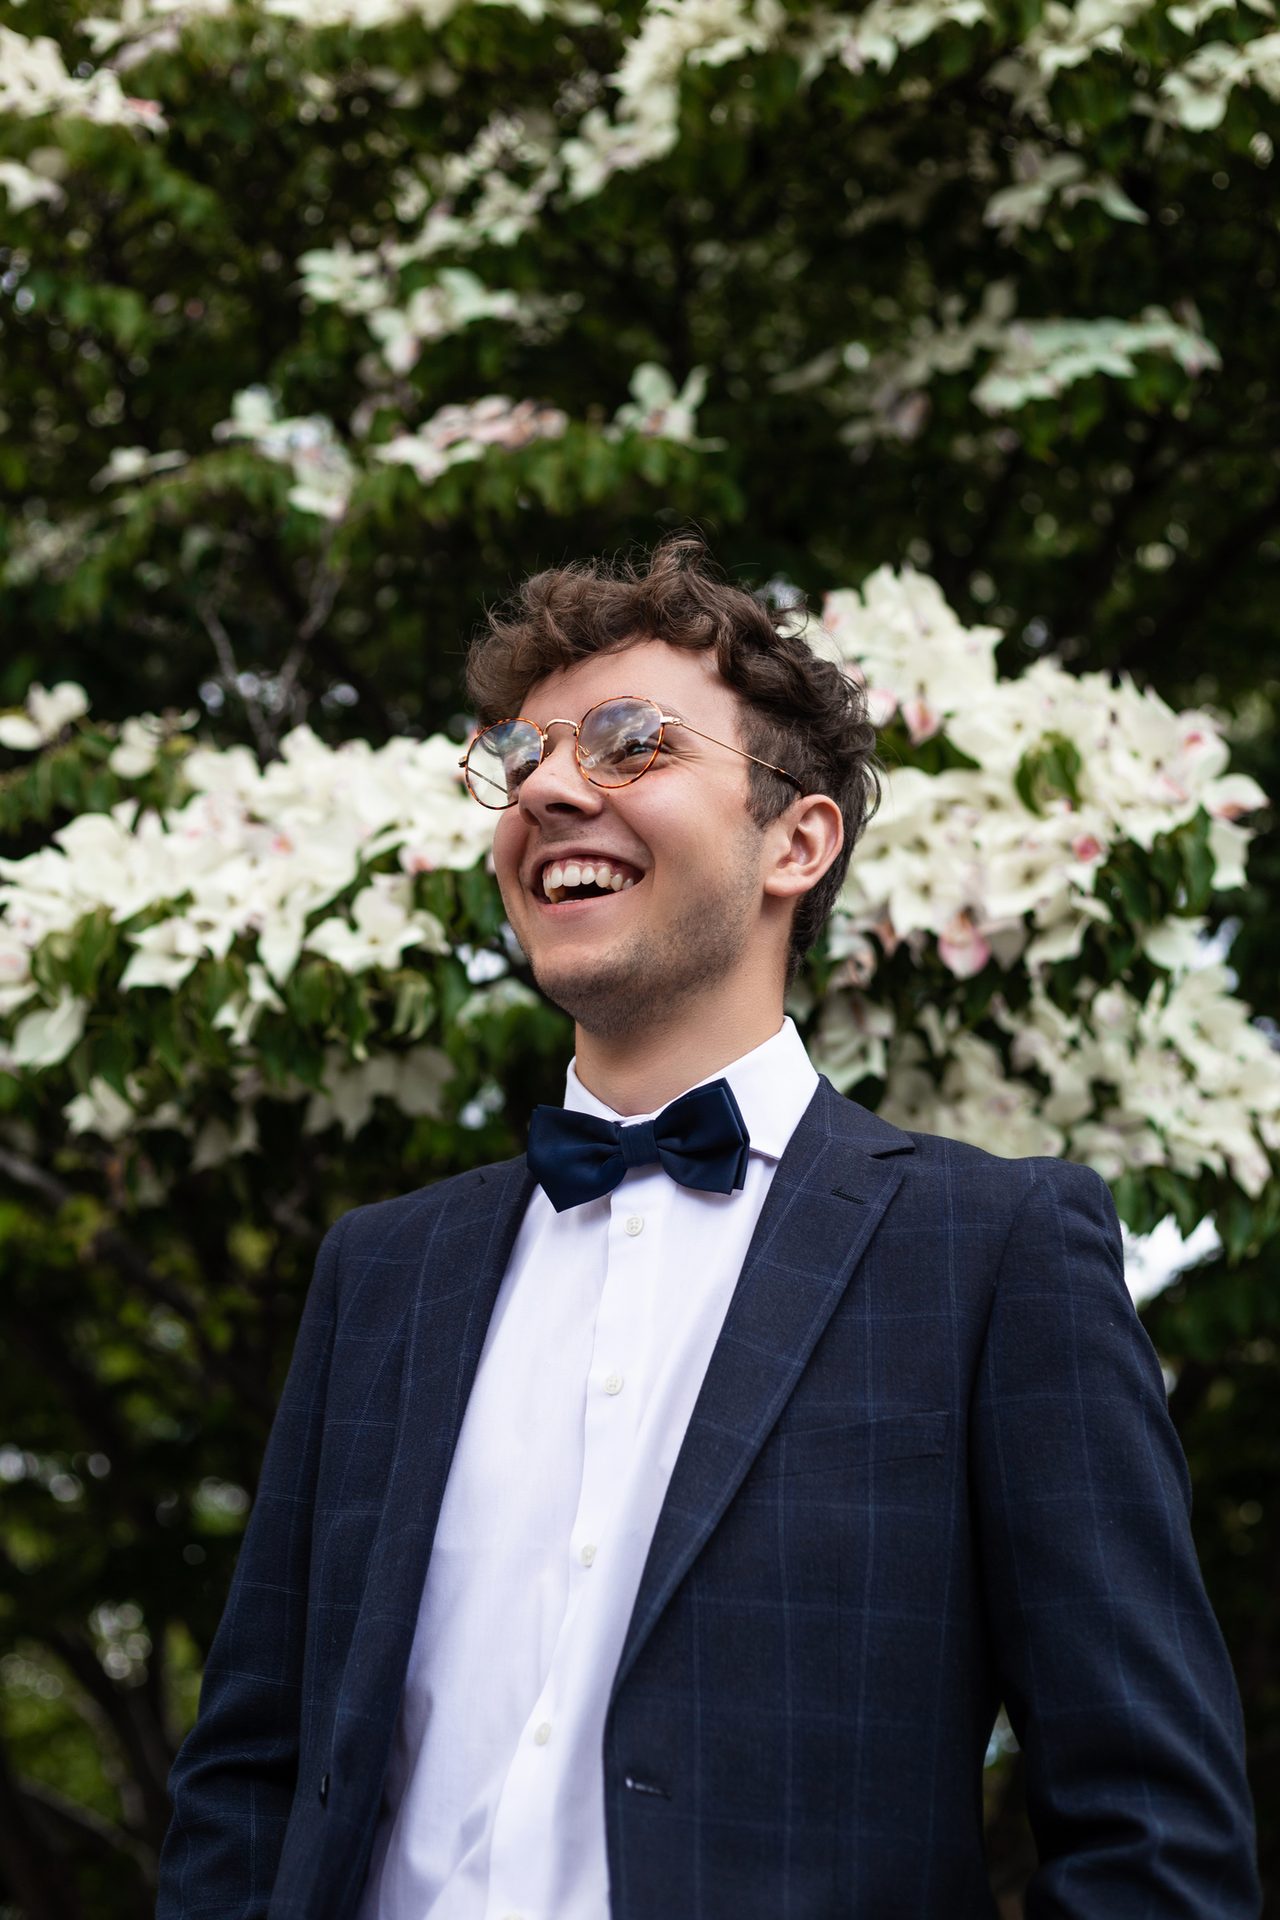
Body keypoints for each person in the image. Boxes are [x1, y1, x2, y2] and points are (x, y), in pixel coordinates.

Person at [157, 534, 1259, 1920]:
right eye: (521, 754)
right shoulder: (385, 1272)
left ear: (796, 841)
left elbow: (1156, 1839)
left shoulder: (996, 1254)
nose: (552, 787)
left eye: (631, 744)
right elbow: (248, 1780)